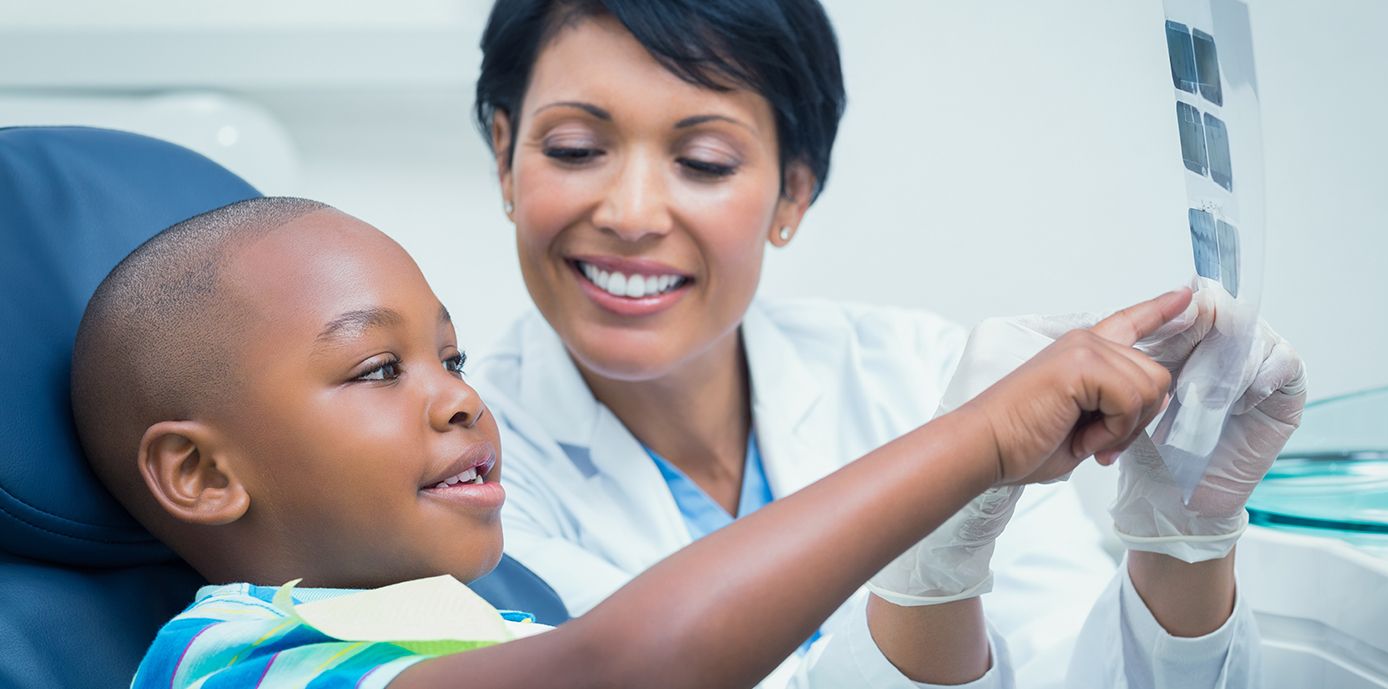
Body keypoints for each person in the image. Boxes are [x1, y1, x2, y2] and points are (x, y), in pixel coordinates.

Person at [468, 1, 1308, 687]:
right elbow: (650, 667)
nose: (632, 212)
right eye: (575, 149)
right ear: (506, 157)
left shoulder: (922, 370)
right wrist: (926, 574)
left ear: (793, 191)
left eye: (706, 160)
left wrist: (1184, 541)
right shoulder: (462, 473)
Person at [71, 197, 1189, 689]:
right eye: (378, 368)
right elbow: (625, 669)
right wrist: (974, 440)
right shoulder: (239, 656)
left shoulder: (490, 621)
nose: (460, 400)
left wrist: (960, 546)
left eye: (451, 360)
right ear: (203, 473)